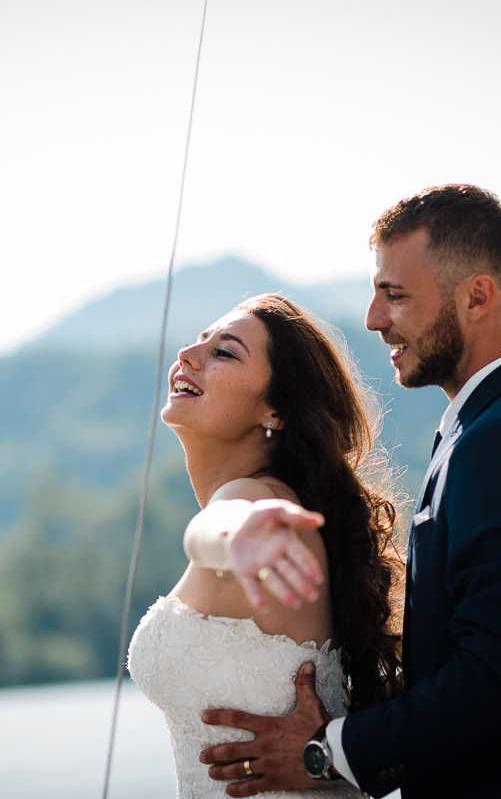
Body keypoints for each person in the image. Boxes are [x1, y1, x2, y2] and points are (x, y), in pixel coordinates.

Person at [195, 185, 501, 798]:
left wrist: (327, 752)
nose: (374, 319)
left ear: (477, 296)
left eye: (394, 295)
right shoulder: (500, 425)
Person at [126, 293, 405, 799]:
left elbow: (217, 528)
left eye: (224, 352)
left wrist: (234, 535)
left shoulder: (257, 501)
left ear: (274, 410)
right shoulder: (272, 501)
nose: (188, 354)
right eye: (200, 339)